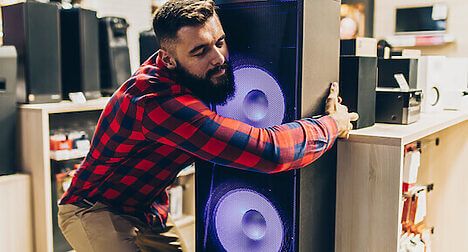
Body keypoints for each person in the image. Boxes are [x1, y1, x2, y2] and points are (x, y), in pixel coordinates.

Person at [57, 0, 359, 251]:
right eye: (200, 51)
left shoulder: (182, 65)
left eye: (220, 42)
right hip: (94, 209)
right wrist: (333, 123)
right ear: (168, 59)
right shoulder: (160, 103)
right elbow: (270, 152)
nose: (219, 58)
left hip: (146, 208)